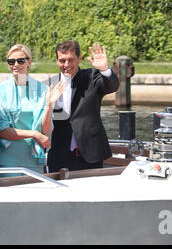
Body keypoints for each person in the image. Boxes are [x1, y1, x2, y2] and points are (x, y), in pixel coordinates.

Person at [0, 44, 66, 175]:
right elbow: (3, 131)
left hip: (34, 158)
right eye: (11, 61)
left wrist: (49, 106)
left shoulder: (43, 90)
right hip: (8, 160)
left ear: (29, 62)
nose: (15, 64)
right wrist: (34, 134)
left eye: (20, 60)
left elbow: (44, 129)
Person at [46, 40, 120, 172]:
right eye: (62, 60)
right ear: (57, 60)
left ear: (79, 58)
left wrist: (105, 69)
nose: (67, 65)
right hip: (59, 156)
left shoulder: (92, 77)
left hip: (90, 156)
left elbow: (112, 86)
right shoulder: (49, 85)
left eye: (71, 60)